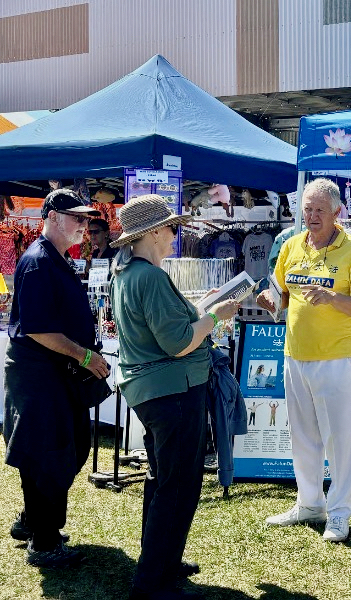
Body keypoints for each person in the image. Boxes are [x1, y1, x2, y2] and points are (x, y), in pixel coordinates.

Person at [109, 194, 240, 600]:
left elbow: (167, 326)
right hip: (173, 390)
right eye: (171, 228)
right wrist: (216, 317)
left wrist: (204, 306)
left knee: (163, 480)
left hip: (154, 391)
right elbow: (179, 341)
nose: (175, 236)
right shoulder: (149, 276)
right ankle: (153, 581)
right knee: (177, 486)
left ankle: (161, 561)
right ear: (150, 234)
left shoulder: (128, 272)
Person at [258, 178, 351, 543]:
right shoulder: (291, 245)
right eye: (307, 209)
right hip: (295, 354)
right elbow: (279, 293)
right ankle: (309, 503)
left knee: (339, 440)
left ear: (337, 212)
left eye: (319, 210)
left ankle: (339, 513)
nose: (311, 216)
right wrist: (269, 300)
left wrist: (332, 297)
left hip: (336, 358)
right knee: (303, 436)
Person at [3, 188, 109, 568]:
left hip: (50, 375)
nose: (84, 225)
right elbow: (36, 329)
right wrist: (84, 356)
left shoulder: (55, 258)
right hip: (39, 376)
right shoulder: (37, 261)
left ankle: (34, 523)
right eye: (76, 218)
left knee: (59, 450)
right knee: (49, 455)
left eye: (86, 219)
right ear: (50, 217)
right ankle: (43, 542)